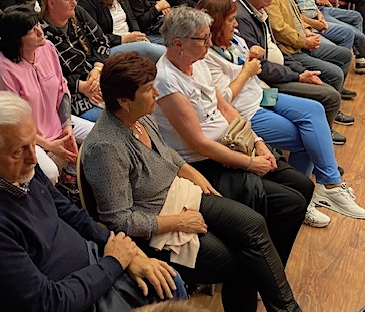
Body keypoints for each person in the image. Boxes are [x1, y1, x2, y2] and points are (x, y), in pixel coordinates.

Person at [83, 52, 302, 311]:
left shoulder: (140, 117)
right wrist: (179, 222)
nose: (156, 93)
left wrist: (192, 173)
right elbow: (118, 220)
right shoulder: (106, 147)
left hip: (180, 194)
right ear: (123, 100)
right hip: (158, 223)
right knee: (239, 261)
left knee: (254, 225)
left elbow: (167, 153)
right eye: (148, 89)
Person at [0, 91, 184, 311]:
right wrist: (114, 262)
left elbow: (71, 213)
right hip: (72, 298)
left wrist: (124, 252)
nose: (32, 158)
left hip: (92, 272)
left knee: (170, 282)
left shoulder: (17, 171)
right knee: (170, 292)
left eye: (33, 142)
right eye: (18, 151)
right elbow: (48, 303)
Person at [152, 6, 313, 266]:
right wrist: (250, 163)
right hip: (205, 163)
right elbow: (198, 143)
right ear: (178, 44)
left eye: (208, 36)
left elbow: (225, 108)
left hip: (233, 145)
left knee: (303, 185)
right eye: (203, 38)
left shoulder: (197, 62)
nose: (209, 43)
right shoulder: (166, 80)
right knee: (290, 203)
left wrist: (258, 143)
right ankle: (262, 263)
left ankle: (268, 259)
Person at [196, 0, 365, 224]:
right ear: (216, 23)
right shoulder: (205, 56)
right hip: (245, 112)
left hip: (262, 95)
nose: (236, 24)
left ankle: (330, 186)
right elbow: (224, 100)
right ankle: (307, 199)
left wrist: (252, 68)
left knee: (315, 109)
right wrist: (247, 71)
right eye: (231, 20)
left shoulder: (234, 40)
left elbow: (249, 71)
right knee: (306, 139)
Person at [235, 0, 350, 146]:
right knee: (330, 95)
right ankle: (321, 140)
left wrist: (301, 71)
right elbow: (260, 66)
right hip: (267, 81)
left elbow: (276, 48)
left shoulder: (260, 10)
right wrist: (297, 75)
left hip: (282, 66)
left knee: (328, 77)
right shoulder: (242, 18)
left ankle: (320, 136)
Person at [0, 5, 95, 183]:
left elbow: (62, 90)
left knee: (99, 137)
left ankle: (77, 181)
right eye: (32, 31)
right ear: (16, 39)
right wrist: (49, 145)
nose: (40, 32)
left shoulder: (47, 48)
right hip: (24, 136)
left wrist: (67, 125)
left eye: (38, 25)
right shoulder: (1, 69)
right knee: (50, 173)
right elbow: (11, 123)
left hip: (56, 122)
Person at [40, 0, 108, 123]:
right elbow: (46, 75)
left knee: (131, 103)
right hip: (70, 93)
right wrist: (81, 86)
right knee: (111, 121)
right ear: (52, 3)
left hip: (96, 74)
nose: (75, 3)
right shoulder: (39, 32)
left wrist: (97, 69)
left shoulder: (78, 13)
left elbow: (102, 41)